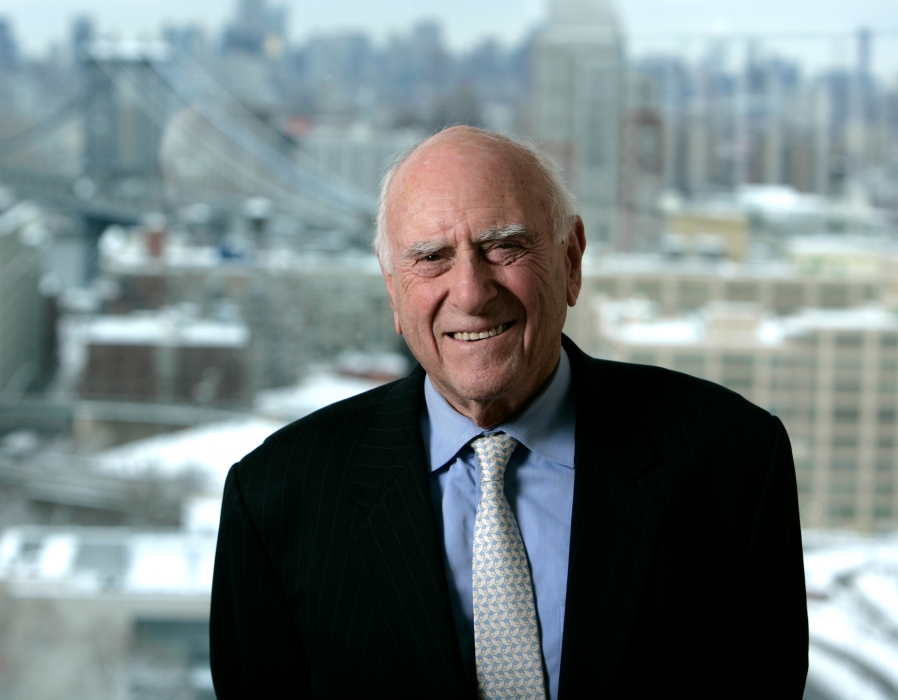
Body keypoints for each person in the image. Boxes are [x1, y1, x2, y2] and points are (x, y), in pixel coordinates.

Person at [210, 126, 808, 699]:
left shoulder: (734, 462)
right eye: (432, 258)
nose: (470, 292)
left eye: (504, 246)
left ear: (571, 260)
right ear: (393, 291)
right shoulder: (273, 498)